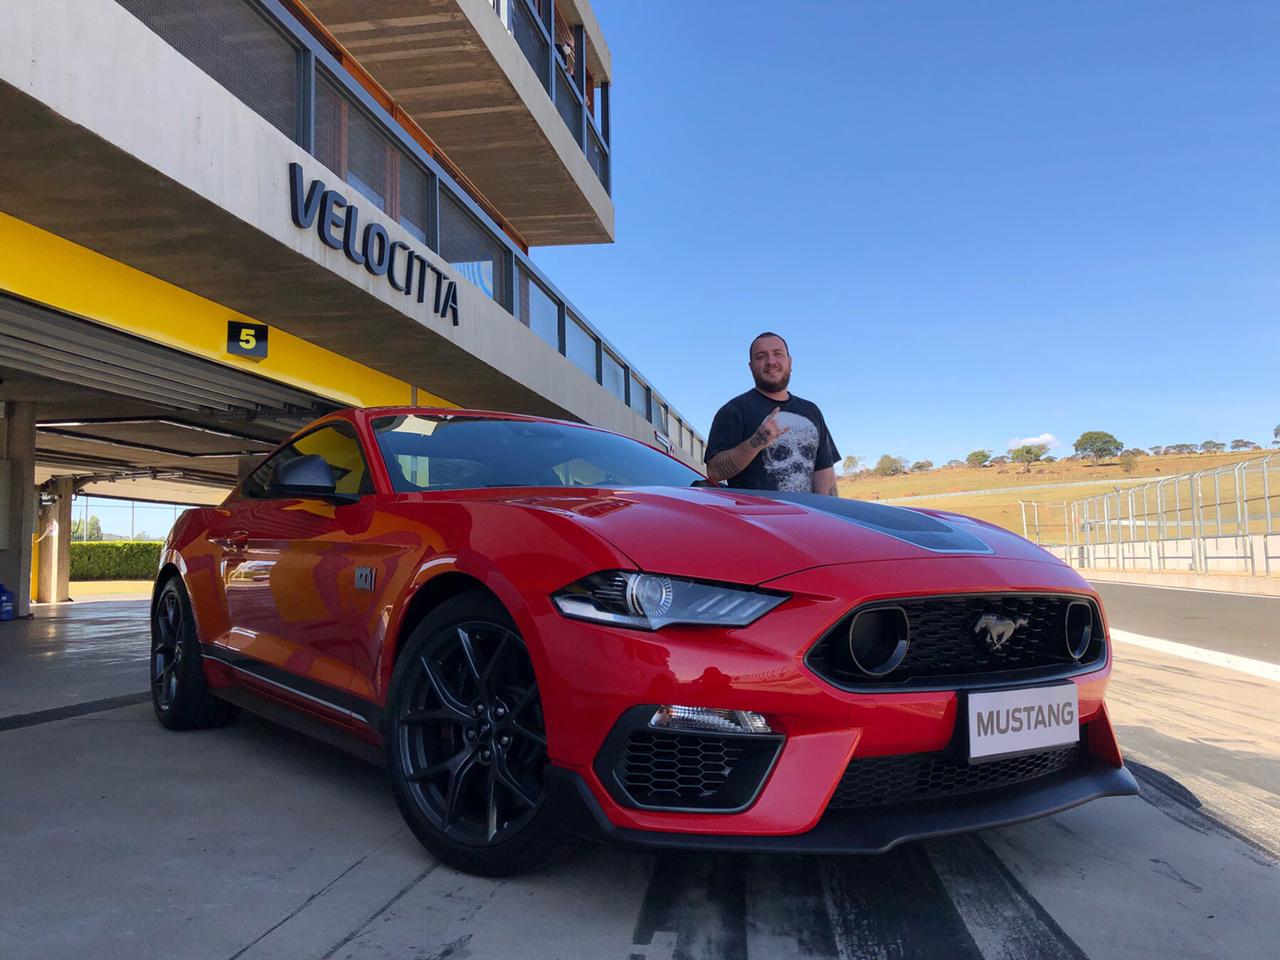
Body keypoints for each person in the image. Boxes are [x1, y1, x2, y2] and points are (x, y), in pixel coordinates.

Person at [703, 332, 840, 494]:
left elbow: (824, 474)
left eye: (778, 354)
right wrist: (756, 442)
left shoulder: (811, 411)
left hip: (806, 518)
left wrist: (829, 516)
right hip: (753, 518)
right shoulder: (733, 411)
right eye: (761, 357)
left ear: (790, 362)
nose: (771, 361)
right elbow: (714, 472)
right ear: (751, 367)